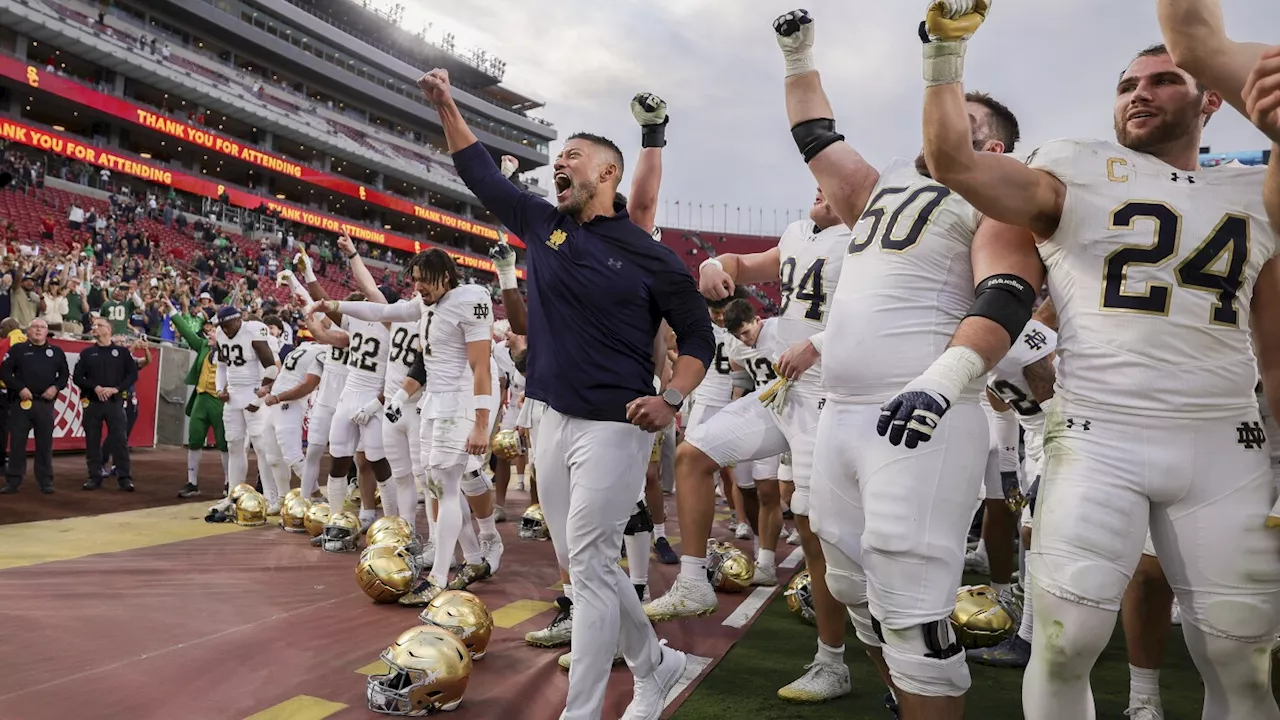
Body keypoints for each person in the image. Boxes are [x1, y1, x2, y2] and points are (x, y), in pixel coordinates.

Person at [919, 3, 1280, 718]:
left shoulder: (1254, 191)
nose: (1138, 92)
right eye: (1125, 84)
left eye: (1162, 80)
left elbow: (1275, 347)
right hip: (1098, 434)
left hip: (1225, 441)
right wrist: (942, 58)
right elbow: (953, 163)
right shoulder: (1076, 166)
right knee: (1063, 641)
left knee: (1244, 661)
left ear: (1210, 96)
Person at [763, 9, 1044, 719]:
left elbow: (1006, 294)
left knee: (914, 605)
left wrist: (945, 381)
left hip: (920, 414)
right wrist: (799, 57)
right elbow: (814, 134)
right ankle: (903, 699)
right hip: (842, 413)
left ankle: (922, 691)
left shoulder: (998, 190)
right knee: (853, 585)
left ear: (999, 145)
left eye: (964, 115)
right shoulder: (886, 184)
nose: (942, 119)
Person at [419, 67, 714, 720]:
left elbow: (698, 338)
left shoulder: (652, 257)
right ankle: (657, 665)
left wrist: (673, 397)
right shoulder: (543, 224)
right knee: (587, 567)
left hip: (617, 424)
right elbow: (481, 175)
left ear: (607, 174)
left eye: (572, 156)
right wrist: (446, 103)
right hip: (547, 417)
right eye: (557, 159)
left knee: (590, 560)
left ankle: (580, 712)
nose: (559, 165)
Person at [308, 248, 494, 598]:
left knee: (444, 487)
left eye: (425, 279)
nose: (419, 286)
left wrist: (481, 422)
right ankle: (471, 557)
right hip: (431, 404)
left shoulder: (470, 299)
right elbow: (380, 310)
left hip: (457, 405)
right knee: (435, 488)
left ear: (446, 275)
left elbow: (480, 366)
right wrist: (334, 306)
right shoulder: (425, 306)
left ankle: (439, 576)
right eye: (415, 280)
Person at [212, 306, 277, 502]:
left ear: (238, 320)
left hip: (253, 392)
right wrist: (219, 388)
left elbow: (272, 368)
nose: (224, 329)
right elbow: (222, 366)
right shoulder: (220, 333)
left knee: (261, 446)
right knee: (234, 446)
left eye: (227, 324)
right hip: (232, 396)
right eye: (221, 325)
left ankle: (271, 496)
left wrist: (258, 398)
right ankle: (235, 494)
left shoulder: (253, 331)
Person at [0, 319, 68, 494]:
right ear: (28, 331)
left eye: (42, 327)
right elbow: (5, 373)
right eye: (35, 327)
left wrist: (55, 388)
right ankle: (13, 481)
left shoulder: (56, 352)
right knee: (17, 444)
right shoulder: (17, 350)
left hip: (45, 404)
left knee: (44, 445)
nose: (38, 330)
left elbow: (64, 375)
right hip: (20, 404)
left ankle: (46, 481)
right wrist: (20, 388)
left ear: (47, 332)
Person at [74, 317, 138, 491]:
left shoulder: (122, 353)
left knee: (120, 440)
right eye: (93, 326)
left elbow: (132, 375)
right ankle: (94, 476)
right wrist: (95, 387)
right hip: (93, 403)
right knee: (92, 441)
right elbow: (78, 377)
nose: (94, 328)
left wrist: (116, 389)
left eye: (99, 325)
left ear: (108, 330)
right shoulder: (86, 354)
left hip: (115, 403)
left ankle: (124, 478)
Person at [171, 306, 227, 498]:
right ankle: (192, 482)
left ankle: (229, 483)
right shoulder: (204, 346)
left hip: (221, 400)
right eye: (210, 331)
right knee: (194, 439)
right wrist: (172, 310)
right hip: (201, 397)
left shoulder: (233, 350)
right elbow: (186, 332)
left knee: (224, 443)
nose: (209, 333)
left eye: (213, 331)